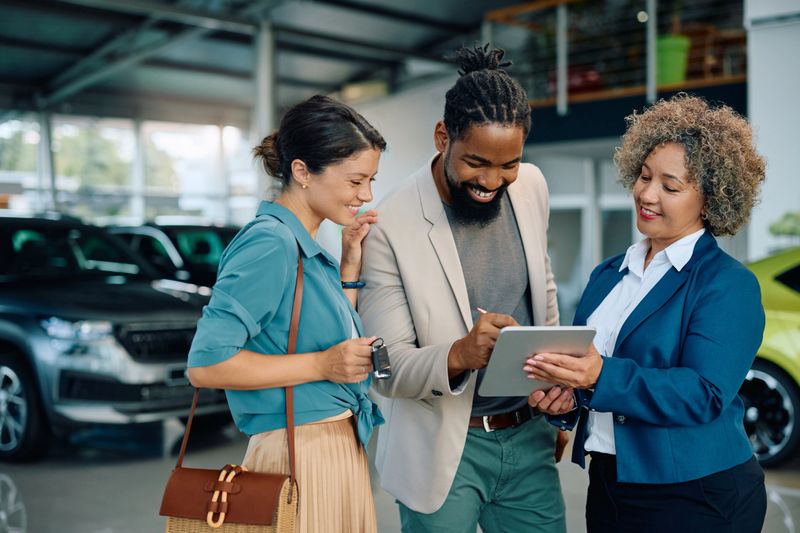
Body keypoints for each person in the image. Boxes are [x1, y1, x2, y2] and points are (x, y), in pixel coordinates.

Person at [527, 93, 767, 533]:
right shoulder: (608, 274)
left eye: (670, 186)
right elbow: (594, 379)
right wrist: (566, 401)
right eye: (643, 176)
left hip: (697, 494)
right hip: (611, 483)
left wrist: (598, 376)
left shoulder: (726, 284)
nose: (647, 194)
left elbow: (703, 393)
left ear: (711, 201)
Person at [358, 44, 567, 533]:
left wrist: (555, 392)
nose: (493, 181)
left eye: (508, 164)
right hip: (441, 451)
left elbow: (545, 291)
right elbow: (386, 369)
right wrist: (460, 353)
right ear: (441, 137)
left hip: (528, 435)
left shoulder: (531, 186)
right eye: (477, 162)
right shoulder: (389, 225)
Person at [186, 95, 386, 533]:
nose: (365, 194)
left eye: (370, 180)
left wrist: (350, 264)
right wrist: (322, 365)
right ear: (301, 172)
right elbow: (206, 364)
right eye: (355, 180)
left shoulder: (303, 248)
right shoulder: (270, 244)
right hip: (300, 453)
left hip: (330, 445)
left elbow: (314, 336)